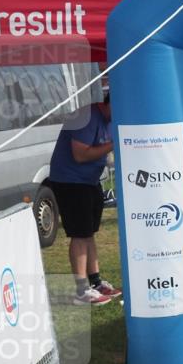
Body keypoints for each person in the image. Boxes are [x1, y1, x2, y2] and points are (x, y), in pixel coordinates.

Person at [49, 91, 121, 305]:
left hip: (89, 181)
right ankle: (81, 289)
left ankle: (96, 282)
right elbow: (80, 155)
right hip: (70, 181)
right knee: (80, 234)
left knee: (89, 233)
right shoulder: (85, 117)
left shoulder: (107, 120)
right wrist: (113, 144)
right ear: (112, 104)